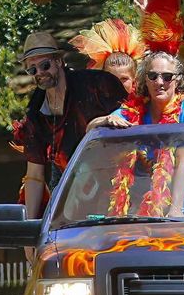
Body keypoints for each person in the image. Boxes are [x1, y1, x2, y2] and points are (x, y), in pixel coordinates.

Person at [17, 31, 127, 219]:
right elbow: (34, 175)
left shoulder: (97, 85)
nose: (40, 73)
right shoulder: (35, 113)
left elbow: (135, 119)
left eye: (44, 65)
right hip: (72, 202)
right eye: (32, 70)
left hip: (117, 188)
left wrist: (101, 123)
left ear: (59, 61)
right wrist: (29, 233)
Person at [89, 50, 184, 217]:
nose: (159, 82)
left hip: (180, 202)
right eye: (153, 76)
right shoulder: (133, 111)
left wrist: (176, 210)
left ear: (178, 79)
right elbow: (90, 130)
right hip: (138, 203)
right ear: (145, 79)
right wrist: (105, 120)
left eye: (167, 77)